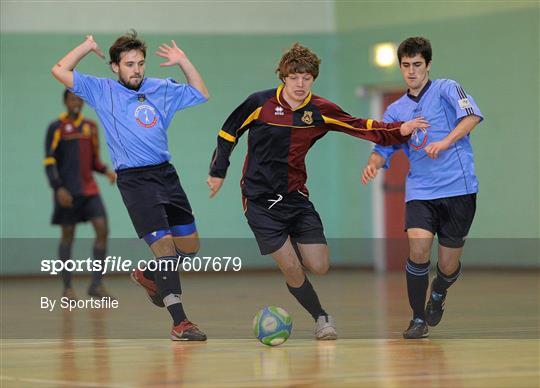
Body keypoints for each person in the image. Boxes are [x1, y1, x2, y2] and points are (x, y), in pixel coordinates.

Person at [207, 43, 428, 340]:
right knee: (292, 269)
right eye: (295, 77)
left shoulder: (320, 111)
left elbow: (360, 126)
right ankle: (321, 317)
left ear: (313, 79)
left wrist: (398, 129)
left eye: (307, 78)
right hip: (259, 201)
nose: (300, 84)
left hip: (296, 197)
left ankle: (293, 247)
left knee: (320, 266)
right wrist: (218, 171)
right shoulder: (259, 103)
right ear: (283, 77)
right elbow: (228, 132)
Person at [51, 31, 209, 341]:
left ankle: (149, 275)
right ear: (114, 67)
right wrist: (86, 46)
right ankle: (180, 322)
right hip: (135, 180)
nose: (136, 69)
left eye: (140, 63)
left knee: (189, 246)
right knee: (164, 248)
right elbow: (59, 70)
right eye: (128, 64)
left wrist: (184, 62)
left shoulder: (161, 88)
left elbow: (201, 93)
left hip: (166, 175)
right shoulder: (102, 90)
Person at [361, 37, 483, 339]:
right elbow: (384, 145)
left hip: (459, 188)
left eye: (417, 64)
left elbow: (472, 117)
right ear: (400, 67)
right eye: (406, 65)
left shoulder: (446, 89)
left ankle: (439, 291)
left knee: (447, 264)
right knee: (418, 250)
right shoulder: (395, 111)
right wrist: (374, 162)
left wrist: (444, 142)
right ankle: (417, 319)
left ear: (428, 65)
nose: (411, 71)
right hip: (421, 191)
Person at [45, 89, 117, 300]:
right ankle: (67, 288)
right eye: (71, 99)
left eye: (78, 99)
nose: (75, 102)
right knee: (68, 236)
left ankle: (96, 284)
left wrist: (106, 171)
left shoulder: (90, 128)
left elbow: (94, 160)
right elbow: (49, 161)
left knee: (102, 230)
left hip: (89, 190)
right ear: (65, 102)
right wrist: (58, 188)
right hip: (67, 192)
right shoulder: (56, 127)